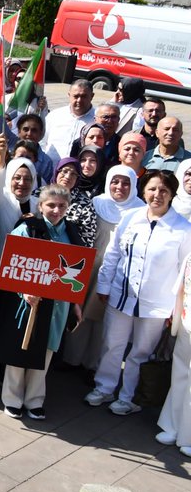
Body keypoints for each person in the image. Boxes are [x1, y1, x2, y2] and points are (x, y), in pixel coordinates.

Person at [87, 170, 191, 415]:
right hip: (121, 294)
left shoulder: (183, 229)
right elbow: (113, 254)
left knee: (141, 351)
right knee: (112, 343)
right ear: (143, 191)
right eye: (152, 189)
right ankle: (104, 388)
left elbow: (184, 272)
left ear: (172, 195)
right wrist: (103, 285)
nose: (157, 195)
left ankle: (128, 397)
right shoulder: (131, 217)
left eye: (164, 191)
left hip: (157, 303)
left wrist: (176, 311)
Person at [0, 185, 86, 420]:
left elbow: (78, 271)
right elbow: (11, 262)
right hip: (27, 301)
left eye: (61, 206)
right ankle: (12, 398)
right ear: (41, 206)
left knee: (46, 351)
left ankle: (35, 399)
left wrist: (75, 302)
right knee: (20, 348)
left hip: (57, 304)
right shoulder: (28, 229)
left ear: (68, 208)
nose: (56, 210)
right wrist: (24, 291)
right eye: (51, 205)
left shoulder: (73, 232)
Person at [63, 165, 144, 373]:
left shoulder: (140, 211)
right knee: (79, 311)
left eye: (126, 183)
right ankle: (71, 360)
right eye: (115, 181)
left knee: (102, 319)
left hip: (118, 271)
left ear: (133, 185)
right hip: (89, 267)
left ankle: (92, 365)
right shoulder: (97, 203)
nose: (120, 187)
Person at [158, 251, 191, 457]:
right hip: (187, 320)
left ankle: (187, 435)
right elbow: (182, 287)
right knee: (179, 372)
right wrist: (175, 312)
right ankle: (172, 425)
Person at [42, 80, 95, 164]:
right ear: (69, 95)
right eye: (76, 96)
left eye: (84, 96)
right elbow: (42, 141)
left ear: (92, 96)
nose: (79, 100)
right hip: (50, 169)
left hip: (77, 173)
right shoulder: (55, 115)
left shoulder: (97, 119)